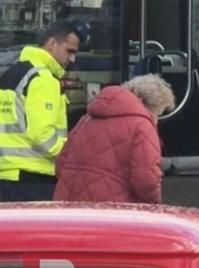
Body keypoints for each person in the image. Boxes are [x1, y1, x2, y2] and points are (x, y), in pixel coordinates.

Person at [0, 19, 80, 201]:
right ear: (52, 44)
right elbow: (42, 136)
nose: (72, 59)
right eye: (70, 51)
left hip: (8, 173)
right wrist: (71, 154)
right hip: (35, 177)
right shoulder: (43, 79)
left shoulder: (12, 73)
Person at [54, 74, 175, 204]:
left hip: (70, 205)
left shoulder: (86, 119)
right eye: (158, 113)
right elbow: (145, 180)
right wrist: (154, 205)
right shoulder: (142, 126)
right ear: (149, 105)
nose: (156, 120)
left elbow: (61, 164)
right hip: (113, 210)